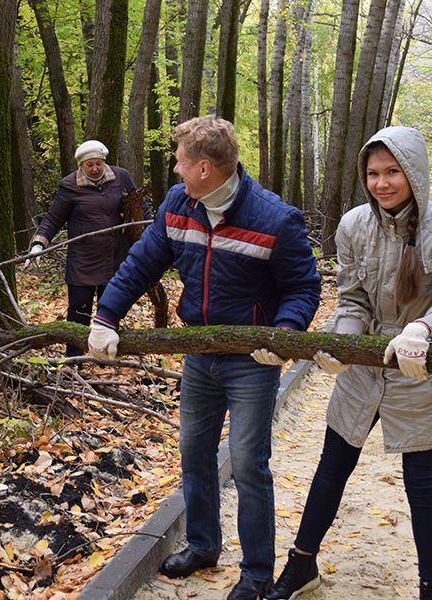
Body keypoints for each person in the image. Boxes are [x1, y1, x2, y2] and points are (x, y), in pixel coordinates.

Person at [88, 116, 321, 600]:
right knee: (194, 454)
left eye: (179, 162)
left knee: (247, 463)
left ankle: (257, 573)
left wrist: (284, 333)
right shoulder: (179, 205)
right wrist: (106, 315)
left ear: (205, 169)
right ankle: (202, 545)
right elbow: (143, 261)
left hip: (252, 361)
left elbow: (302, 288)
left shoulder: (275, 218)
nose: (173, 170)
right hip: (198, 353)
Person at [265, 126, 432, 600]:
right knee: (332, 466)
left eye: (393, 172)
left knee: (422, 484)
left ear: (414, 173)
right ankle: (302, 566)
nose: (382, 183)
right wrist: (343, 344)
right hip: (364, 370)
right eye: (374, 173)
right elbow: (352, 298)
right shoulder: (354, 225)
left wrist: (422, 329)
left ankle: (431, 588)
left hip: (423, 368)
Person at [24, 140, 136, 357]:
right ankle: (73, 361)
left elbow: (139, 208)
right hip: (83, 262)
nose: (94, 168)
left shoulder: (121, 177)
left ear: (104, 162)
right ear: (81, 165)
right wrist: (38, 244)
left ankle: (107, 360)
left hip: (115, 259)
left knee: (110, 313)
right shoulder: (69, 185)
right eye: (89, 165)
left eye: (98, 164)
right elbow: (53, 219)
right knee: (78, 314)